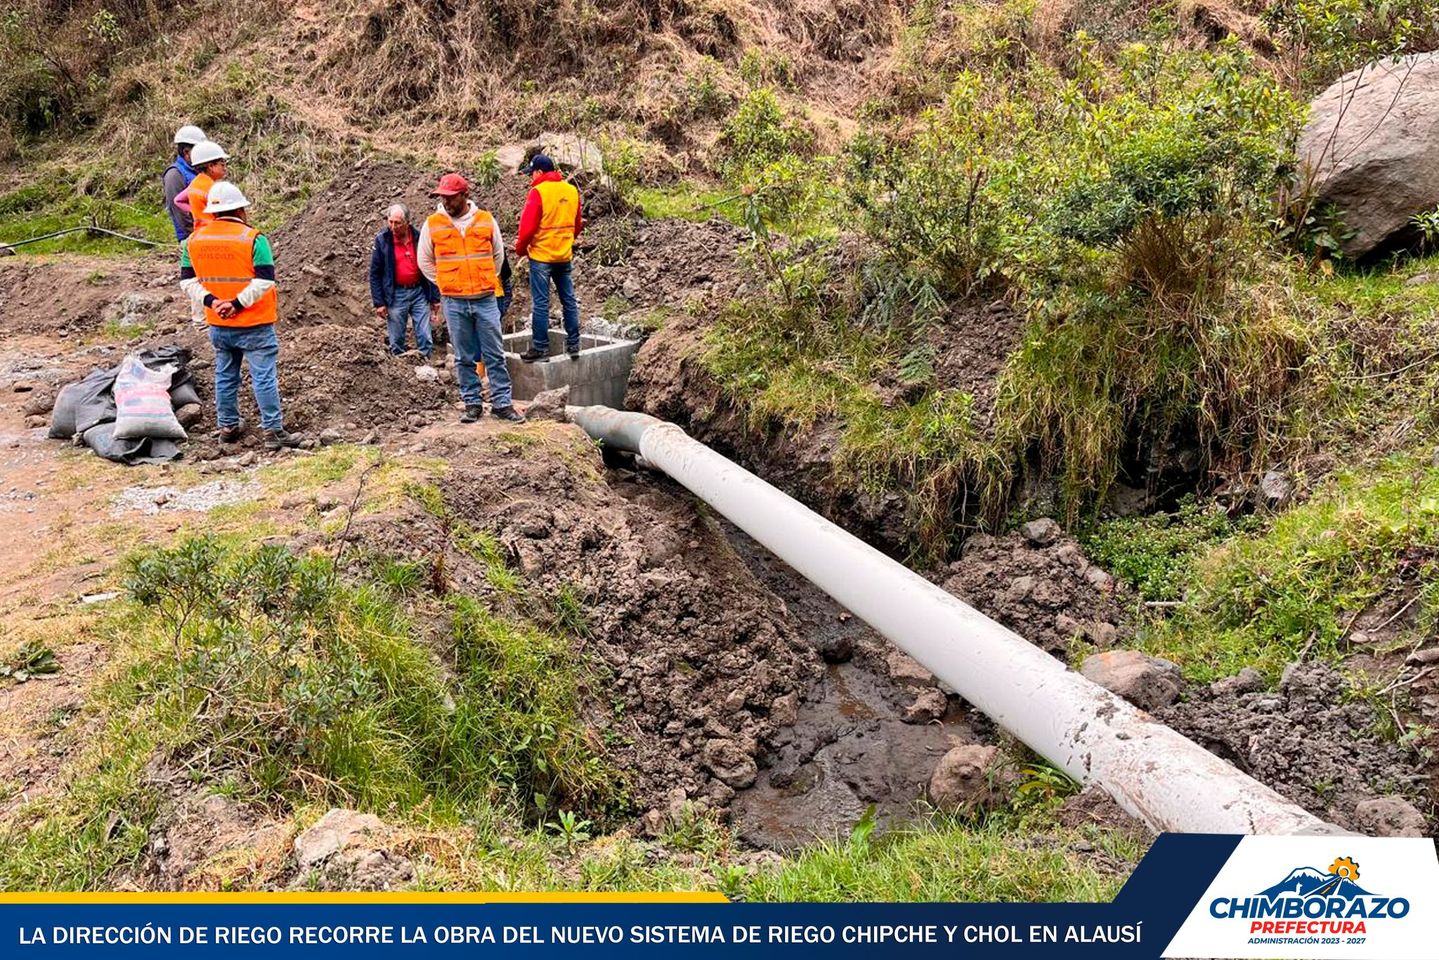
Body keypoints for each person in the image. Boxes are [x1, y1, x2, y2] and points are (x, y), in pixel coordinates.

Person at [178, 182, 302, 450]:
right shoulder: (254, 238)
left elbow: (187, 283)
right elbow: (265, 281)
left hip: (219, 324)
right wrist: (236, 303)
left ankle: (228, 427)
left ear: (212, 212)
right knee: (263, 377)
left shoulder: (193, 241)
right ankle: (273, 431)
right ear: (241, 210)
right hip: (254, 322)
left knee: (225, 375)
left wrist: (214, 302)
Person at [418, 173, 525, 424]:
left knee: (494, 353)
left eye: (451, 198)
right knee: (464, 356)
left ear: (465, 195)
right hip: (454, 301)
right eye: (442, 198)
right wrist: (446, 281)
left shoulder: (486, 220)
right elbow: (425, 260)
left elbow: (498, 257)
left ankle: (501, 403)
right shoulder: (432, 224)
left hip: (485, 298)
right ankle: (472, 403)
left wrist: (482, 279)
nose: (446, 202)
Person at [515, 154, 584, 362]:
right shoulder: (571, 190)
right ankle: (574, 344)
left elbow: (527, 228)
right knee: (569, 300)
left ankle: (540, 347)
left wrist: (520, 249)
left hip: (542, 257)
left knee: (541, 303)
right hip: (563, 256)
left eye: (532, 174)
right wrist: (565, 241)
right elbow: (577, 224)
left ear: (539, 172)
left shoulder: (538, 192)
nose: (530, 179)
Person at [369, 204, 440, 359]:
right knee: (396, 338)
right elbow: (375, 273)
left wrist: (435, 297)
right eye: (390, 222)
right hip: (395, 294)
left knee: (425, 335)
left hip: (419, 291)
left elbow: (431, 266)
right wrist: (379, 302)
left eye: (397, 223)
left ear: (407, 222)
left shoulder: (418, 237)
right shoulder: (383, 241)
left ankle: (425, 363)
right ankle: (400, 371)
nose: (393, 226)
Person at [162, 125, 206, 241]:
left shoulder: (198, 171)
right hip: (193, 237)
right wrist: (193, 235)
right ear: (186, 152)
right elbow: (179, 210)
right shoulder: (174, 175)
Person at [184, 140, 230, 234]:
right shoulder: (213, 188)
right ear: (211, 166)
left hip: (200, 233)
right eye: (222, 164)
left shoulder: (195, 183)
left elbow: (178, 200)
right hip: (215, 233)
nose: (224, 168)